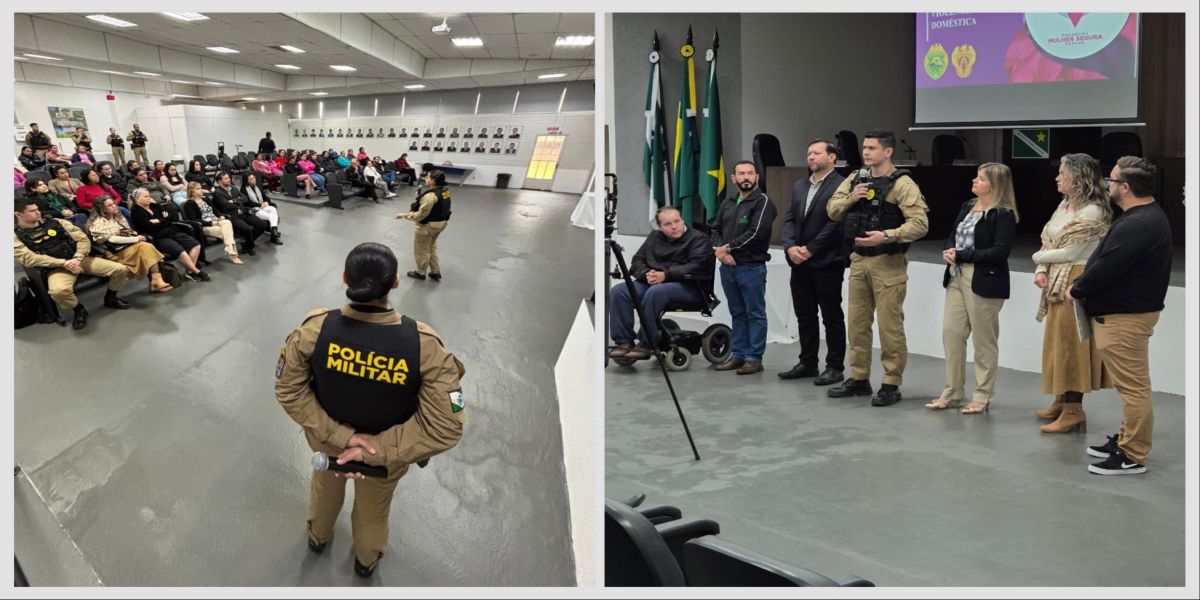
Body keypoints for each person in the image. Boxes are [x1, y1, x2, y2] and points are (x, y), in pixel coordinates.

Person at [274, 242, 466, 578]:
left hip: (326, 446)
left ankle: (318, 538)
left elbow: (289, 390)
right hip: (386, 459)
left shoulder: (314, 330)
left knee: (323, 493)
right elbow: (445, 426)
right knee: (373, 512)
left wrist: (341, 438)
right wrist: (374, 450)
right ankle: (366, 561)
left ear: (345, 277)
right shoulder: (425, 346)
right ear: (395, 283)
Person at [1067, 157, 1172, 475]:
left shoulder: (1139, 224)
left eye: (1111, 181)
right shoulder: (1142, 217)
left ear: (1125, 187)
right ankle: (1127, 440)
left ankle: (1133, 454)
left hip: (1125, 317)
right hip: (1125, 313)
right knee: (1131, 386)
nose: (1107, 185)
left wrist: (1078, 287)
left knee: (1133, 387)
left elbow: (1108, 266)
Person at [826, 129, 930, 406]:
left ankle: (891, 382)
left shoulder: (903, 184)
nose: (866, 152)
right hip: (858, 260)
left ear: (888, 152)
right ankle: (859, 377)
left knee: (889, 327)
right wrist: (851, 198)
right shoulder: (855, 178)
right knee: (857, 324)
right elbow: (832, 210)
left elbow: (920, 224)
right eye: (864, 147)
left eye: (872, 148)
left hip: (888, 263)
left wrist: (886, 235)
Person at [925, 163, 1018, 414]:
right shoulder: (968, 206)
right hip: (956, 277)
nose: (974, 181)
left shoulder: (1003, 213)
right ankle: (952, 390)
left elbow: (1000, 251)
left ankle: (982, 395)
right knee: (951, 334)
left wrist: (963, 255)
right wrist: (949, 250)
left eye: (980, 178)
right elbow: (953, 234)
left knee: (984, 340)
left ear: (994, 185)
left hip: (984, 280)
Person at [1031, 153, 1113, 433]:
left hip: (1076, 279)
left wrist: (1037, 259)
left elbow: (1069, 251)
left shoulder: (1093, 211)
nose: (1057, 177)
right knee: (1058, 343)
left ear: (1078, 178)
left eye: (1062, 173)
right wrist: (1041, 270)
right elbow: (1048, 239)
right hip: (1057, 278)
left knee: (1072, 346)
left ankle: (1073, 410)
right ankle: (1062, 399)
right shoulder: (1064, 205)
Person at [778, 139, 848, 385]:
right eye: (808, 153)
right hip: (799, 262)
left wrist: (810, 249)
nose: (810, 157)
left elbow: (837, 223)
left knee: (831, 316)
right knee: (804, 315)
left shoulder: (842, 185)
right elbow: (788, 220)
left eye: (816, 153)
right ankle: (807, 362)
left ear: (832, 157)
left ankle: (834, 366)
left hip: (827, 261)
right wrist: (790, 247)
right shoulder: (799, 186)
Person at [609, 206, 714, 361]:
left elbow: (697, 266)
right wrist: (647, 275)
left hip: (690, 287)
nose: (674, 226)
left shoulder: (699, 239)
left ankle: (646, 344)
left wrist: (666, 275)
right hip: (654, 283)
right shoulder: (654, 237)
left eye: (677, 221)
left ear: (682, 220)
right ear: (659, 227)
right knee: (619, 291)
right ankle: (623, 341)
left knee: (656, 292)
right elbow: (637, 261)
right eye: (668, 224)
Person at [14, 197, 132, 329]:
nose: (38, 212)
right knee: (58, 291)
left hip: (79, 259)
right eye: (32, 211)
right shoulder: (15, 236)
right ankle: (78, 309)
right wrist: (64, 263)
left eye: (37, 209)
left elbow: (82, 239)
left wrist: (77, 257)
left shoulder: (57, 222)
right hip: (56, 268)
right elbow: (29, 258)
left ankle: (111, 298)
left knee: (120, 269)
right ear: (19, 214)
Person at [710, 160, 777, 375]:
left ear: (757, 177)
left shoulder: (764, 202)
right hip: (727, 268)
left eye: (750, 173)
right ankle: (738, 354)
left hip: (751, 268)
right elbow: (715, 228)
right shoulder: (728, 202)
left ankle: (754, 358)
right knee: (737, 312)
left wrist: (726, 249)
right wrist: (721, 252)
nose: (746, 177)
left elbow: (755, 234)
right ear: (733, 178)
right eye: (741, 174)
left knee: (755, 313)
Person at [86, 196, 173, 293]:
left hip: (128, 246)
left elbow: (127, 231)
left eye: (114, 203)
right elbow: (111, 239)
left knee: (146, 247)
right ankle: (156, 280)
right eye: (110, 205)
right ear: (102, 209)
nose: (114, 206)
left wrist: (135, 236)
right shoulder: (97, 223)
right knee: (146, 247)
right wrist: (135, 239)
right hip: (114, 252)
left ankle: (156, 280)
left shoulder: (118, 216)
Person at [128, 187, 209, 282]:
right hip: (158, 237)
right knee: (181, 251)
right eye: (145, 196)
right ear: (137, 199)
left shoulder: (155, 206)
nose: (149, 198)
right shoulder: (136, 212)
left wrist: (158, 221)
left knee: (196, 245)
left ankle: (189, 272)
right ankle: (196, 272)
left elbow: (171, 217)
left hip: (171, 231)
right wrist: (163, 220)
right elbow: (149, 227)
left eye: (149, 196)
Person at [396, 170, 451, 281]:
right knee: (432, 247)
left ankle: (420, 273)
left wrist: (404, 215)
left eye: (428, 177)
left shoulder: (430, 196)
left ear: (433, 181)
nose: (426, 179)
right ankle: (435, 272)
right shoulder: (445, 191)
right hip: (441, 224)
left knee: (422, 250)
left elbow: (420, 216)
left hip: (428, 227)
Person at [182, 182, 242, 264]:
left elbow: (215, 211)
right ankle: (233, 255)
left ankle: (231, 251)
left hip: (217, 221)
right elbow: (195, 220)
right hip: (205, 226)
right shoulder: (188, 204)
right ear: (192, 191)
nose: (201, 190)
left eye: (201, 187)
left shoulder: (206, 199)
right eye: (198, 189)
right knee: (228, 231)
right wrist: (211, 223)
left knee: (227, 223)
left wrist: (220, 216)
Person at [212, 171, 269, 256]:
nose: (229, 180)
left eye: (229, 178)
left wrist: (234, 200)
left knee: (262, 224)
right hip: (232, 215)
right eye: (226, 178)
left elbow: (245, 198)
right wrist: (238, 201)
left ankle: (247, 243)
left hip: (243, 211)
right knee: (247, 229)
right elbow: (226, 205)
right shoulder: (217, 193)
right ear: (220, 181)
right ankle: (250, 246)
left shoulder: (233, 188)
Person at [241, 173, 284, 245]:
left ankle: (273, 232)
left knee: (273, 209)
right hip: (254, 209)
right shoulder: (243, 190)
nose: (254, 180)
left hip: (262, 206)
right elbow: (247, 203)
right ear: (247, 181)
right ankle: (274, 234)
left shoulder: (257, 187)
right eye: (251, 179)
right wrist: (260, 204)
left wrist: (266, 202)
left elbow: (266, 197)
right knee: (272, 217)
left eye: (254, 178)